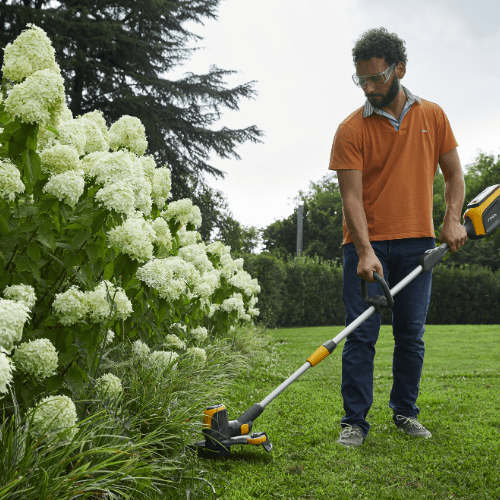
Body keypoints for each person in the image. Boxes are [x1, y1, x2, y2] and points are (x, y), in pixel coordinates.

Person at [328, 27, 467, 448]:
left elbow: (455, 174)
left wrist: (453, 218)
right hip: (367, 247)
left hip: (418, 243)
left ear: (399, 70)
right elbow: (350, 197)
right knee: (361, 335)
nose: (369, 88)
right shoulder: (350, 129)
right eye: (362, 80)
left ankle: (405, 413)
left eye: (376, 78)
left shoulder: (434, 116)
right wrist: (365, 250)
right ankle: (354, 422)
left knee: (411, 335)